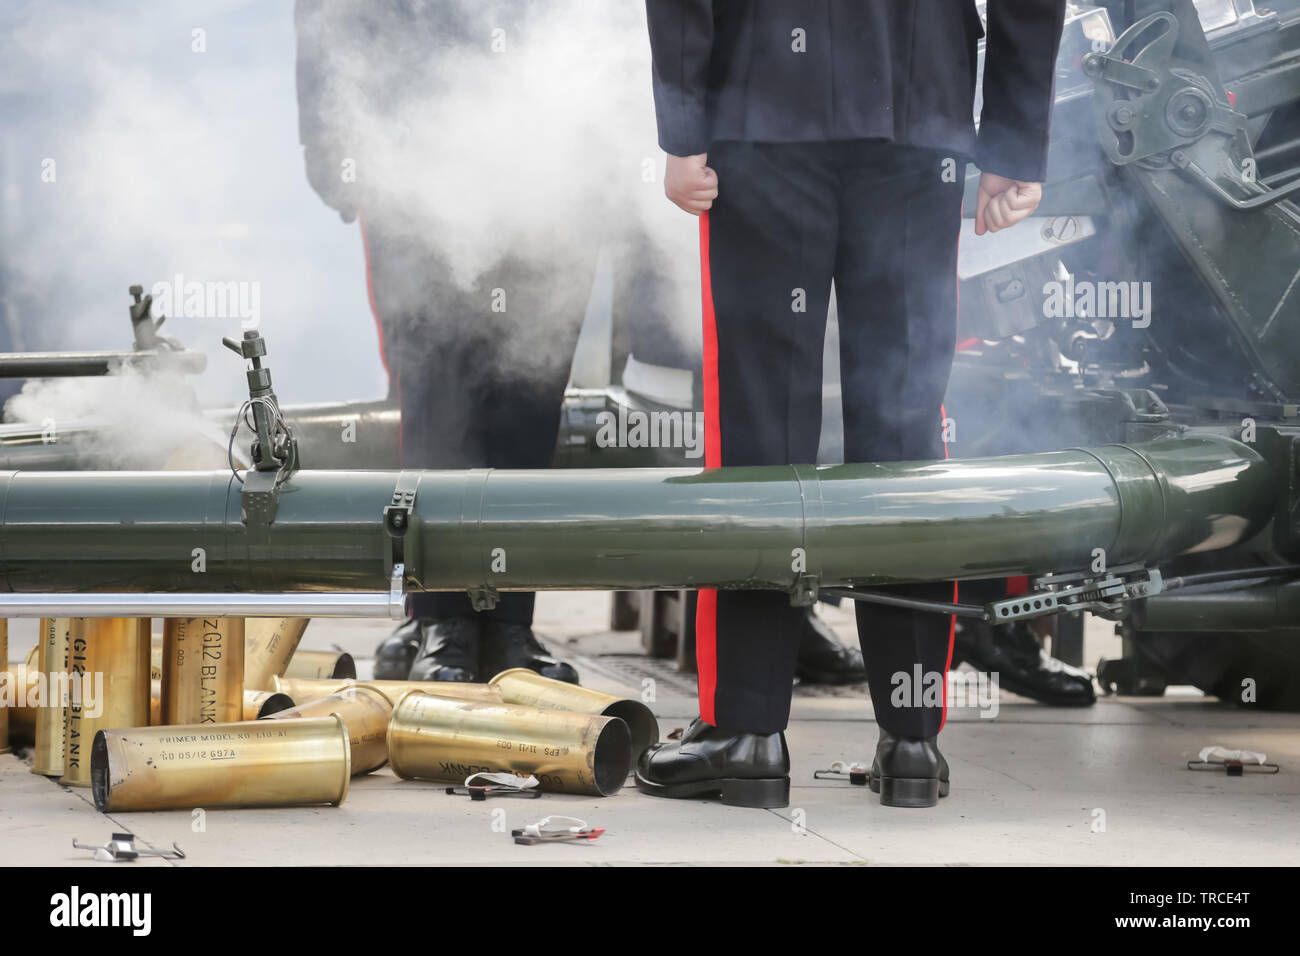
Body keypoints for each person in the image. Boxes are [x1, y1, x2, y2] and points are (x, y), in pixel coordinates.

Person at [634, 0, 1067, 808]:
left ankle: (747, 734)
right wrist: (1012, 139)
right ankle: (912, 743)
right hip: (920, 112)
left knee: (761, 432)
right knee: (904, 434)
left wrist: (683, 125)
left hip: (765, 108)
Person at [295, 0, 602, 684]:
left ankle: (509, 624)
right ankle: (444, 623)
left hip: (545, 170)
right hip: (414, 167)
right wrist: (336, 156)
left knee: (528, 405)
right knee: (439, 407)